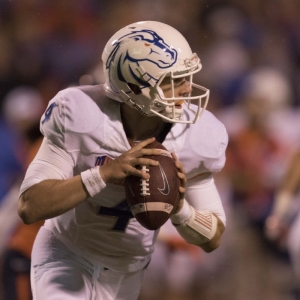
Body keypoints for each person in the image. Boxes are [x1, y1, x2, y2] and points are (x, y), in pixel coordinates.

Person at [17, 21, 228, 300]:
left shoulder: (198, 135)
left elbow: (213, 237)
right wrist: (103, 174)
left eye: (186, 77)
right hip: (67, 252)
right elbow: (30, 206)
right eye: (173, 80)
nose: (187, 89)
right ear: (134, 85)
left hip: (127, 271)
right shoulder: (81, 114)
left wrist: (179, 209)